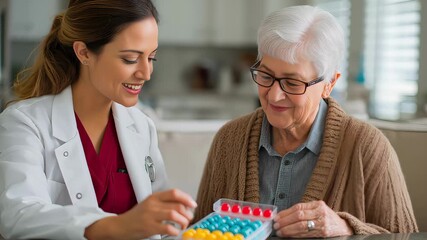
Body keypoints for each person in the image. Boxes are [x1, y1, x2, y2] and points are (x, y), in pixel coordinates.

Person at [194, 5, 418, 238]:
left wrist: (347, 229)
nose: (273, 96)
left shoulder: (368, 147)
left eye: (292, 83)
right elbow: (197, 231)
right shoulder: (229, 139)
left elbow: (407, 235)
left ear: (329, 84)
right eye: (266, 76)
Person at [0, 0, 196, 239]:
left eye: (151, 58)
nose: (146, 73)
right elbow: (18, 215)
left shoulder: (142, 127)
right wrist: (118, 226)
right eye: (130, 59)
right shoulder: (26, 123)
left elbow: (163, 225)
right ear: (83, 52)